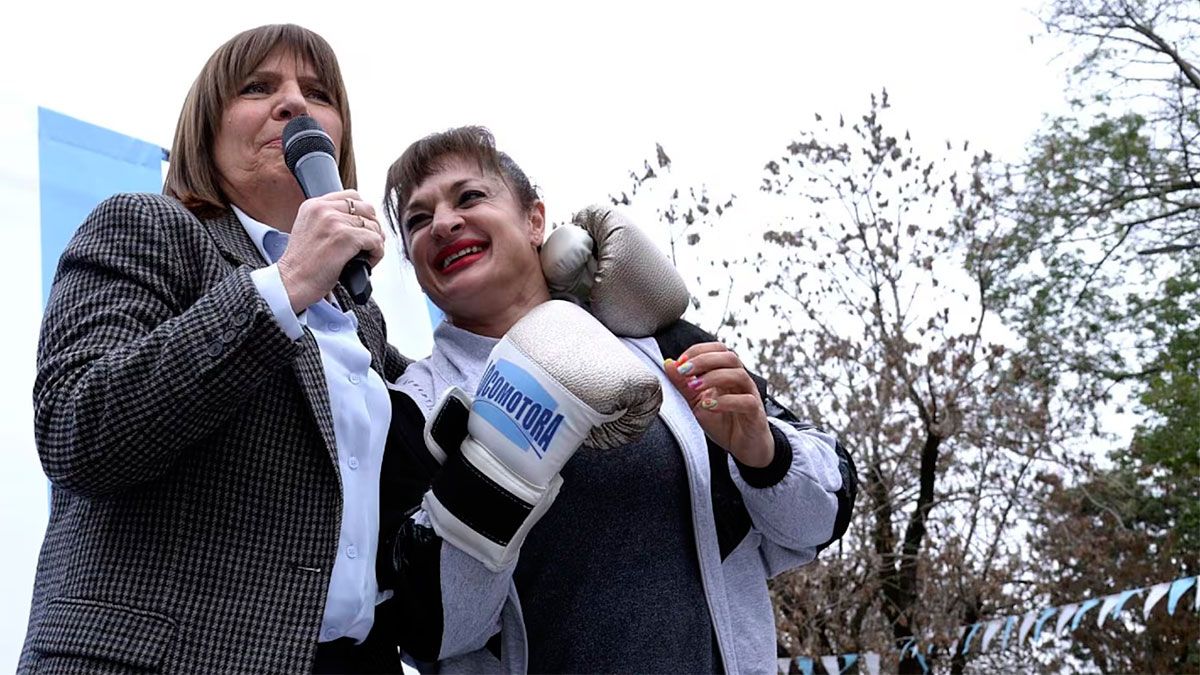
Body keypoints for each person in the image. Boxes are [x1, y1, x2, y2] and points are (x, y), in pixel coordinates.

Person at [377, 126, 857, 674]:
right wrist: (497, 467)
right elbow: (425, 632)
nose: (443, 223)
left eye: (469, 197)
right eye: (418, 220)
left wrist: (764, 454)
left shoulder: (662, 344)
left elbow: (821, 520)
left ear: (535, 220)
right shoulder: (415, 408)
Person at [21, 24, 410, 673]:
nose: (294, 104)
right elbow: (75, 429)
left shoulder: (359, 312)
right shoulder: (147, 226)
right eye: (258, 87)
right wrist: (286, 283)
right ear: (206, 129)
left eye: (318, 94)